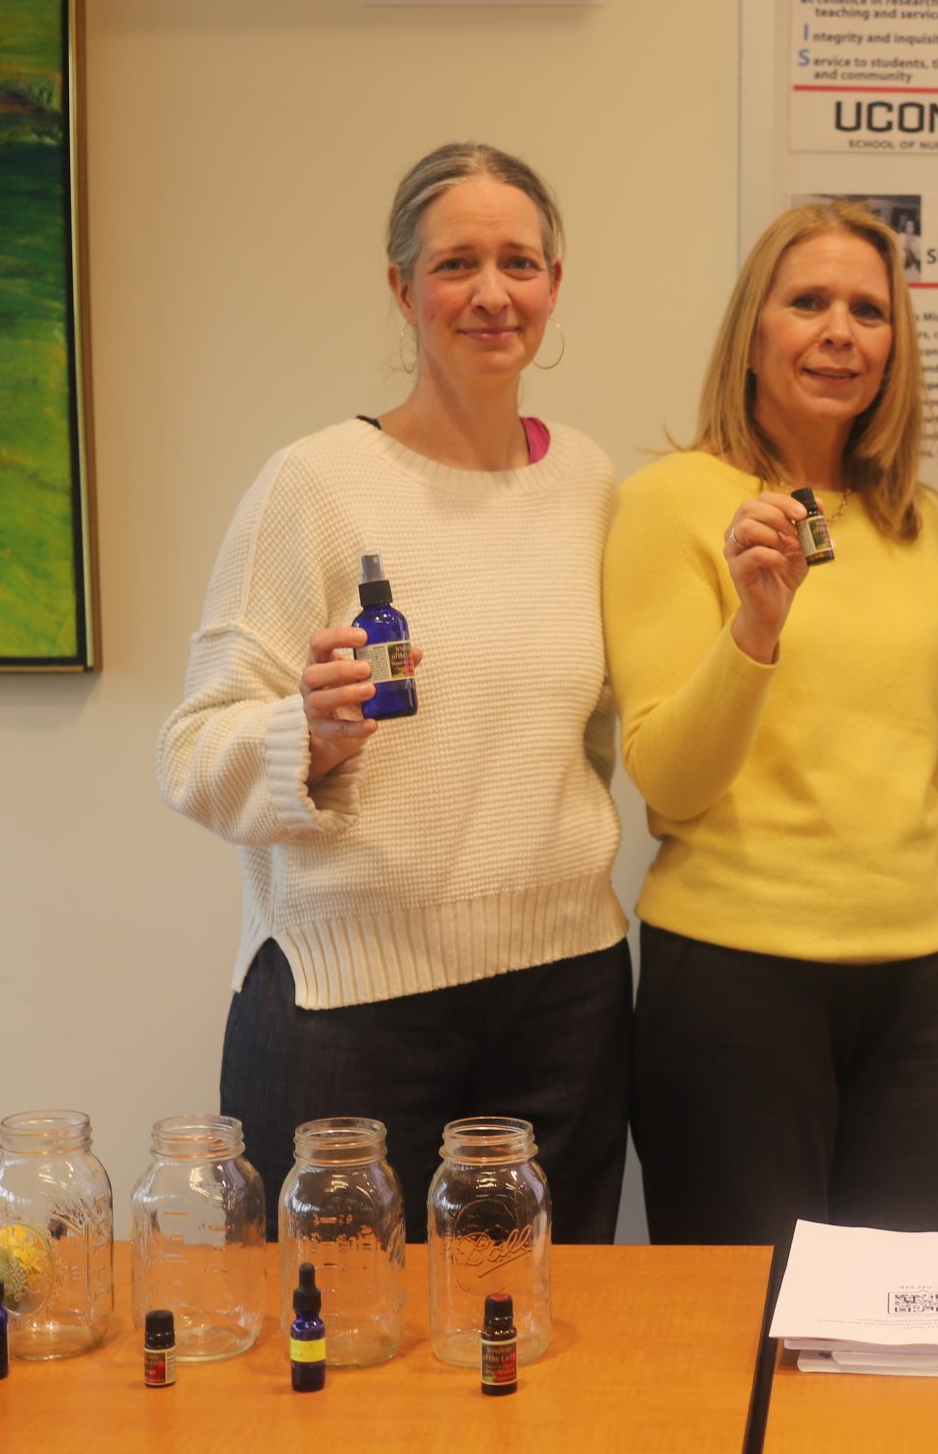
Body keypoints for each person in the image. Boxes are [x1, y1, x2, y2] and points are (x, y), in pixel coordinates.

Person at [156, 143, 632, 1243]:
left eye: (518, 262)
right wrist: (305, 739)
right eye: (456, 263)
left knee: (533, 1353)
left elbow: (585, 738)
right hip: (344, 1011)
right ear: (401, 288)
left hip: (566, 1002)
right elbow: (191, 750)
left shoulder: (591, 487)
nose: (490, 293)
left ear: (554, 283)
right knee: (338, 1360)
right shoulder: (315, 484)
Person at [602, 200, 938, 1244]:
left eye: (868, 310)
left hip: (923, 996)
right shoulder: (669, 503)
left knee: (907, 1346)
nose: (840, 330)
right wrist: (755, 627)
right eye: (808, 302)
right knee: (747, 1345)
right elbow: (668, 778)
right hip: (735, 989)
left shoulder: (912, 518)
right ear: (754, 331)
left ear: (895, 346)